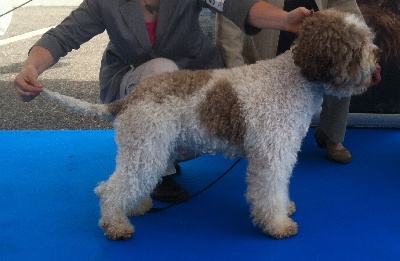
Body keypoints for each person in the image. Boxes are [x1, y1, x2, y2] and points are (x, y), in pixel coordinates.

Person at [14, 0, 312, 203]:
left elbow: (238, 4)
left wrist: (285, 20)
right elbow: (62, 36)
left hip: (192, 83)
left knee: (192, 119)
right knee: (161, 70)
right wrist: (31, 68)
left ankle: (160, 159)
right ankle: (157, 173)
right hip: (134, 84)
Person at [216, 0, 363, 164]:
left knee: (342, 63)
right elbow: (231, 17)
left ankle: (332, 135)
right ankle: (269, 143)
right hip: (268, 47)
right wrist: (235, 67)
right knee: (268, 143)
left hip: (320, 40)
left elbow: (346, 5)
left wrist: (359, 42)